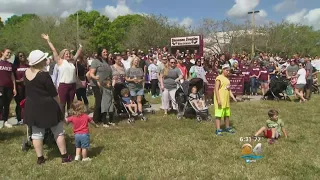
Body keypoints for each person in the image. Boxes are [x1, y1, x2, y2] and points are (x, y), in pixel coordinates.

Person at [24, 50, 72, 164]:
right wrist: (60, 106)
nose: (46, 60)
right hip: (47, 106)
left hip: (32, 106)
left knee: (36, 133)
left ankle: (40, 158)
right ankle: (65, 156)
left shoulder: (26, 73)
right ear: (40, 61)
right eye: (44, 59)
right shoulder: (44, 75)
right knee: (58, 131)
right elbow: (54, 93)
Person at [42, 34, 82, 117]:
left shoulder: (71, 62)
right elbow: (53, 50)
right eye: (66, 54)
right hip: (63, 85)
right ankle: (61, 118)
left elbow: (77, 54)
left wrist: (80, 47)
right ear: (63, 54)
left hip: (72, 85)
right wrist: (48, 40)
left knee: (70, 103)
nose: (68, 55)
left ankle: (70, 118)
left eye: (68, 54)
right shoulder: (60, 61)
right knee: (62, 103)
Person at [89, 48, 113, 123]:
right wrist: (95, 77)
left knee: (105, 102)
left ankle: (102, 118)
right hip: (96, 84)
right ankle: (95, 119)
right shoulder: (95, 62)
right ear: (100, 53)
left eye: (106, 52)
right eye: (104, 52)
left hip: (106, 85)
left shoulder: (107, 62)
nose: (106, 53)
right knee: (99, 101)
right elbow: (91, 73)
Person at [214, 64, 237, 136]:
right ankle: (218, 129)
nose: (228, 72)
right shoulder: (219, 78)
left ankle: (227, 127)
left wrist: (233, 97)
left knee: (227, 115)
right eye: (226, 70)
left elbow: (229, 89)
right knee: (219, 115)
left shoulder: (227, 80)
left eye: (228, 70)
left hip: (226, 101)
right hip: (220, 100)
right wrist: (218, 100)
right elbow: (216, 89)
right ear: (223, 70)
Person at [0, 48, 17, 128]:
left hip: (9, 87)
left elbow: (12, 76)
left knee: (7, 104)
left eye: (10, 53)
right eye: (7, 52)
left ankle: (5, 120)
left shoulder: (10, 64)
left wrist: (14, 88)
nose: (9, 54)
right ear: (2, 52)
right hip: (1, 87)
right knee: (0, 104)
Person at [13, 52, 28, 124]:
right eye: (20, 56)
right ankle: (19, 119)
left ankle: (26, 117)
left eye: (23, 55)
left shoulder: (28, 66)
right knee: (19, 103)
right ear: (17, 58)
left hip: (27, 87)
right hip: (18, 87)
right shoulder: (15, 67)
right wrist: (19, 81)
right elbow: (11, 78)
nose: (22, 57)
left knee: (27, 102)